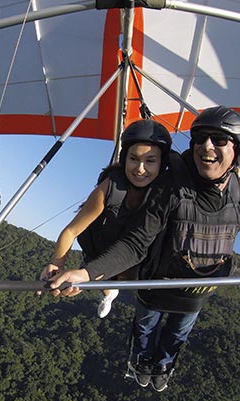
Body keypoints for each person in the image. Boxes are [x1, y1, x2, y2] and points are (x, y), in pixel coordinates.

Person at [48, 106, 240, 392]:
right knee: (144, 331)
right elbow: (137, 243)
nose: (207, 146)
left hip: (195, 295)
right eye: (200, 138)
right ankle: (139, 361)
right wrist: (86, 273)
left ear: (237, 150)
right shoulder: (171, 184)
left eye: (219, 140)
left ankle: (163, 366)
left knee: (176, 336)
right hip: (155, 287)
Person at [40, 119, 173, 318]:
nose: (140, 168)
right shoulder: (111, 188)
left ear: (162, 163)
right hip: (100, 243)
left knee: (116, 274)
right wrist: (56, 264)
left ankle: (110, 288)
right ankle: (108, 292)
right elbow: (72, 230)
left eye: (150, 160)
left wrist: (234, 172)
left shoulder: (163, 192)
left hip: (132, 251)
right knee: (98, 275)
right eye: (134, 158)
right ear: (125, 158)